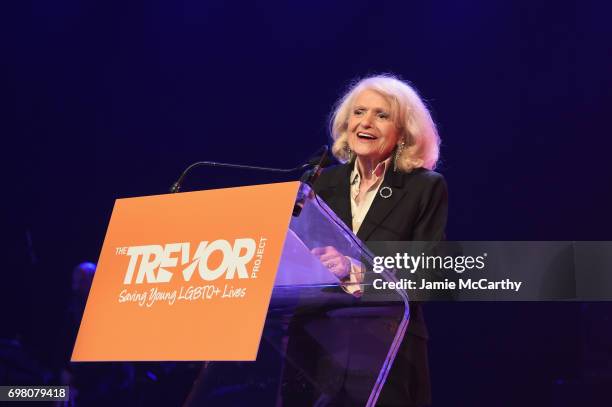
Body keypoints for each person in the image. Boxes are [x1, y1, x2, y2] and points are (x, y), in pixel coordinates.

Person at [310, 74, 448, 406]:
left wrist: (355, 272)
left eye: (381, 115)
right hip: (319, 352)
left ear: (404, 133)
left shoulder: (424, 188)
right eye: (359, 112)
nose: (365, 122)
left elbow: (426, 277)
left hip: (388, 355)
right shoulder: (319, 184)